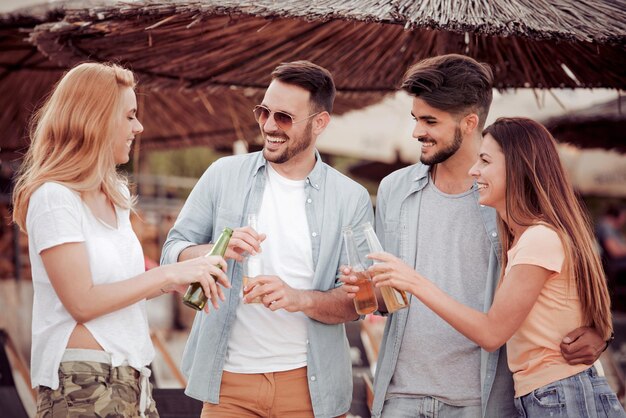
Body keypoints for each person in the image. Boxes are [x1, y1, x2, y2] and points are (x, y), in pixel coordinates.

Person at [341, 54, 606, 418]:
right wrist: (370, 290)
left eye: (430, 121)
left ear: (469, 123)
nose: (417, 132)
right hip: (401, 393)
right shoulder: (393, 189)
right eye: (416, 119)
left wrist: (600, 332)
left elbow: (569, 275)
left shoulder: (504, 198)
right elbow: (391, 295)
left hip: (484, 399)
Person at [11, 62, 228, 418]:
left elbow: (125, 288)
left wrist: (191, 267)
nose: (138, 127)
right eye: (129, 116)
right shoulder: (54, 197)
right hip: (83, 382)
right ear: (95, 119)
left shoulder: (115, 195)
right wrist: (166, 276)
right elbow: (82, 302)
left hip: (133, 378)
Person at [369, 117, 625, 417]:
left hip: (561, 396)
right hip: (547, 396)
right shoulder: (524, 237)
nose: (474, 170)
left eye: (485, 161)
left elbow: (492, 333)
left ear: (518, 168)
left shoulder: (539, 238)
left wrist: (413, 281)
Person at [161, 60, 373, 418]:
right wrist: (217, 248)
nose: (269, 126)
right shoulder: (222, 174)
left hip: (311, 388)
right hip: (228, 386)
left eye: (284, 117)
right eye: (264, 112)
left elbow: (360, 301)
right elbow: (172, 252)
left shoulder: (350, 198)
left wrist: (298, 299)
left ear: (319, 123)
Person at [596, 204, 626, 284]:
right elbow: (614, 251)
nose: (624, 220)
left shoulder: (611, 228)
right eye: (623, 216)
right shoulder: (606, 227)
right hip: (613, 265)